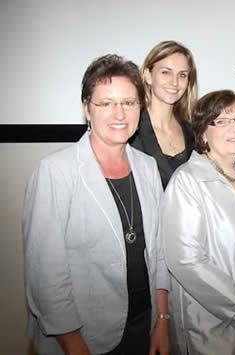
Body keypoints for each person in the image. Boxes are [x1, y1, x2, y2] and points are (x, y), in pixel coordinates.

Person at [22, 54, 170, 355]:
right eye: (105, 103)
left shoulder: (147, 166)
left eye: (129, 103)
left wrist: (162, 321)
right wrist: (75, 346)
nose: (119, 113)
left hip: (144, 324)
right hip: (84, 337)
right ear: (87, 108)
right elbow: (45, 273)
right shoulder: (56, 171)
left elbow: (159, 251)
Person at [161, 90, 235, 355]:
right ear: (203, 133)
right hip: (211, 330)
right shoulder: (188, 181)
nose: (234, 127)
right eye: (222, 121)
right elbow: (186, 261)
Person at [131, 40, 197, 189]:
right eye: (166, 72)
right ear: (148, 76)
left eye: (182, 75)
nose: (174, 82)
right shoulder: (129, 130)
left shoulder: (193, 131)